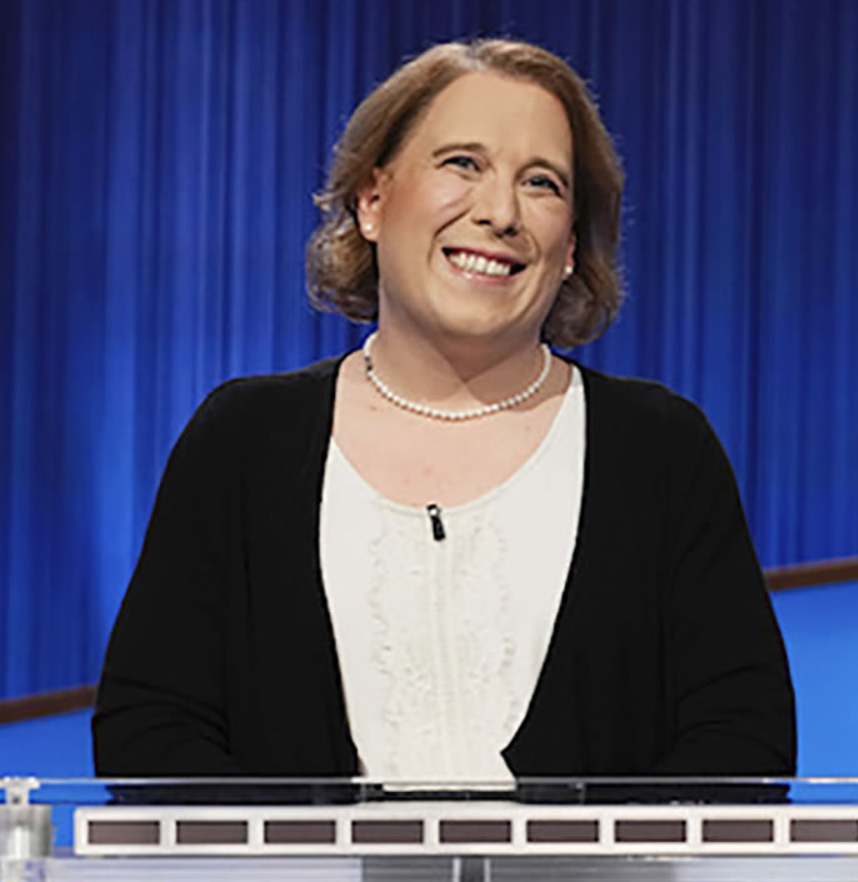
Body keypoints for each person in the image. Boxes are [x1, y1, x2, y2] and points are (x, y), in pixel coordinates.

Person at [92, 38, 795, 781]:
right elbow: (151, 729)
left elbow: (741, 740)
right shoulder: (243, 440)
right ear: (373, 200)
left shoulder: (661, 451)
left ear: (568, 246)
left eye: (542, 183)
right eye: (463, 164)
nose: (500, 212)